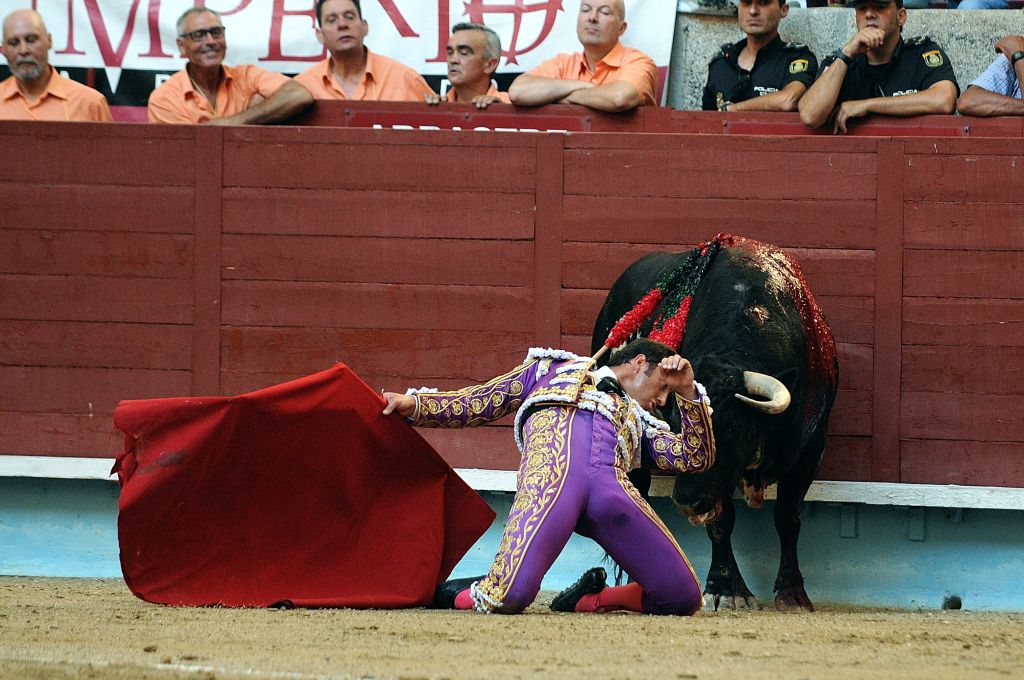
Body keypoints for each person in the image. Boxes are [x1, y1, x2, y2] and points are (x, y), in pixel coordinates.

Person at [381, 338, 716, 615]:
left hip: (609, 490)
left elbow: (693, 456)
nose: (661, 400)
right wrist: (415, 404)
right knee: (508, 597)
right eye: (663, 387)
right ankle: (454, 593)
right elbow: (482, 401)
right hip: (551, 478)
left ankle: (591, 599)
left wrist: (687, 390)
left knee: (682, 596)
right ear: (639, 362)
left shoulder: (638, 421)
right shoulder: (549, 369)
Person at [798, 0, 958, 134]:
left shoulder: (921, 52)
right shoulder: (840, 61)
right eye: (862, 9)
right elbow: (810, 115)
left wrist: (868, 105)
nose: (869, 14)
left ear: (901, 17)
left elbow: (944, 100)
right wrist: (846, 53)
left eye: (880, 7)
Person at [148, 8, 313, 125]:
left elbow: (300, 94)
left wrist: (235, 120)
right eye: (199, 35)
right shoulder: (164, 98)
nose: (210, 41)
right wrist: (260, 113)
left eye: (216, 32)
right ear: (181, 45)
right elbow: (189, 154)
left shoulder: (247, 75)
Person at [508, 0, 658, 113]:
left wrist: (563, 97)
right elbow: (517, 91)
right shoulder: (563, 63)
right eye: (585, 10)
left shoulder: (638, 61)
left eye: (604, 12)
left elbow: (620, 97)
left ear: (621, 28)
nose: (592, 17)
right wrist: (583, 86)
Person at [294, 0, 433, 102]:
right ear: (320, 35)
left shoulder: (404, 79)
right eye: (332, 20)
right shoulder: (302, 87)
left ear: (364, 27)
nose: (342, 24)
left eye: (349, 17)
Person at [702, 0, 817, 112]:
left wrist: (733, 109)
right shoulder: (722, 63)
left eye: (763, 2)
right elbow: (706, 123)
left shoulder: (797, 57)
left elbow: (789, 99)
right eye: (746, 2)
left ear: (783, 10)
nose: (753, 11)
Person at [1, 9, 111, 122]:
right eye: (14, 43)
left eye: (31, 40)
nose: (23, 50)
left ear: (49, 41)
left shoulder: (89, 103)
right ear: (3, 49)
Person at [425, 23, 510, 109]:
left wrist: (503, 113)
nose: (453, 60)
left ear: (490, 65)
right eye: (450, 53)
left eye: (464, 53)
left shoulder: (511, 106)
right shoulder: (437, 106)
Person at [957, 35, 1024, 117]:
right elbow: (967, 101)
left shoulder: (1019, 55)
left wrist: (1020, 60)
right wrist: (1018, 57)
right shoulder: (1017, 50)